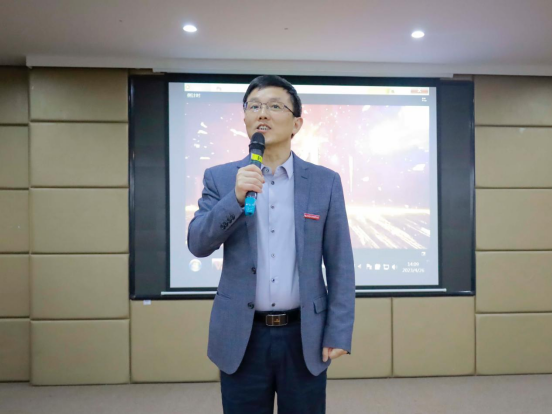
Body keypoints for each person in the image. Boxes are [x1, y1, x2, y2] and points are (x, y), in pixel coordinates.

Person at [187, 75, 355, 414]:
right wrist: (234, 199)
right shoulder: (221, 178)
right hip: (242, 335)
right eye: (254, 106)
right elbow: (198, 243)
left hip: (304, 334)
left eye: (275, 106)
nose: (262, 113)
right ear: (245, 119)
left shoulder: (324, 182)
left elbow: (340, 264)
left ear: (297, 124)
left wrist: (338, 331)